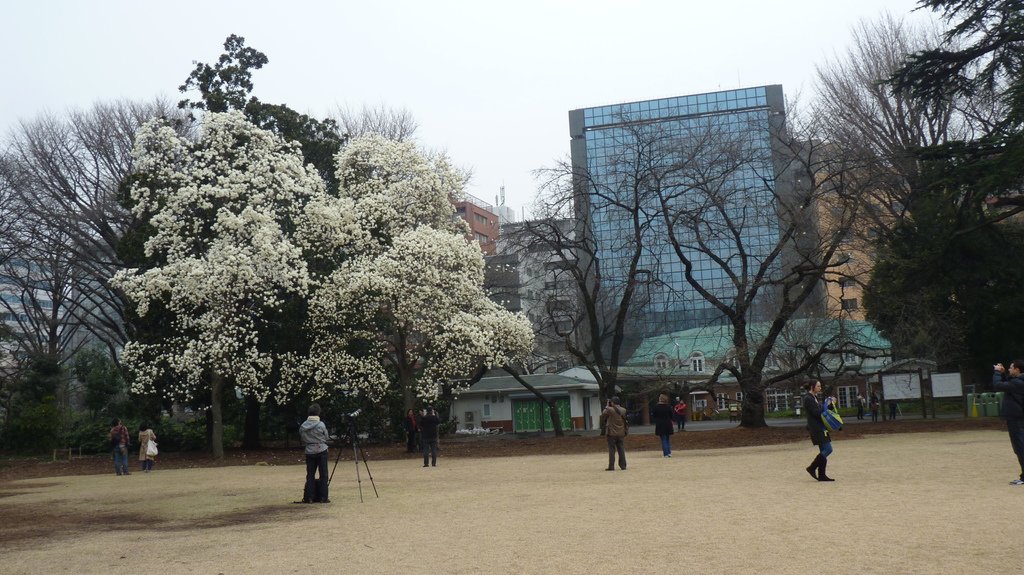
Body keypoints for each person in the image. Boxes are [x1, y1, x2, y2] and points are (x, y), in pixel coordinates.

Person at [992, 361, 1024, 485]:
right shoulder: (1018, 382)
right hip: (1019, 417)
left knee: (1020, 447)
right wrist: (1004, 373)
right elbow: (1008, 384)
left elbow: (998, 385)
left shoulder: (1018, 383)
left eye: (1011, 368)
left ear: (1017, 370)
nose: (1009, 369)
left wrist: (996, 372)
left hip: (1016, 418)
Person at [802, 381, 834, 481]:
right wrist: (826, 405)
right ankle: (812, 468)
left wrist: (830, 405)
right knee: (828, 449)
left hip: (820, 427)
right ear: (812, 387)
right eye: (818, 386)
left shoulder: (813, 397)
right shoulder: (808, 398)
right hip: (816, 428)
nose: (820, 387)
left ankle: (821, 475)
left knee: (823, 450)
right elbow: (816, 413)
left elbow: (821, 410)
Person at [299, 403, 331, 503]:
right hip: (321, 450)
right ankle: (323, 497)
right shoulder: (321, 424)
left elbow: (302, 438)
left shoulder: (303, 425)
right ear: (318, 413)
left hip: (309, 450)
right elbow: (326, 437)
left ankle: (309, 497)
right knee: (323, 474)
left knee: (310, 475)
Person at [600, 396, 628, 471]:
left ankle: (611, 466)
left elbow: (603, 414)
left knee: (612, 449)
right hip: (621, 432)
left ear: (612, 402)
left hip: (611, 432)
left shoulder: (609, 409)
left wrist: (607, 406)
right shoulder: (623, 410)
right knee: (621, 449)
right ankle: (623, 465)